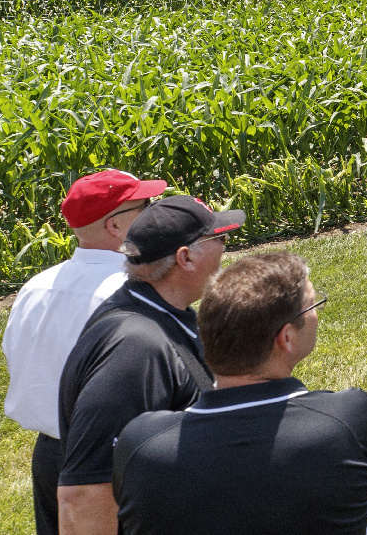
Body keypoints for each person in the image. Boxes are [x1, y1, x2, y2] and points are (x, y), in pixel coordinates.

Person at [111, 253, 367, 535]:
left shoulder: (140, 445)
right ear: (286, 338)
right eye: (312, 305)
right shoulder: (349, 421)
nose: (317, 311)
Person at [56, 196, 239, 535]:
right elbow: (84, 495)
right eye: (221, 240)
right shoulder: (134, 348)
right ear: (185, 258)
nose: (226, 250)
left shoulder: (162, 314)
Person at [3, 170, 163, 535]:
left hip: (50, 455)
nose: (154, 214)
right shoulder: (132, 291)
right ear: (115, 226)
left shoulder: (36, 286)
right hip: (116, 457)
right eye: (146, 206)